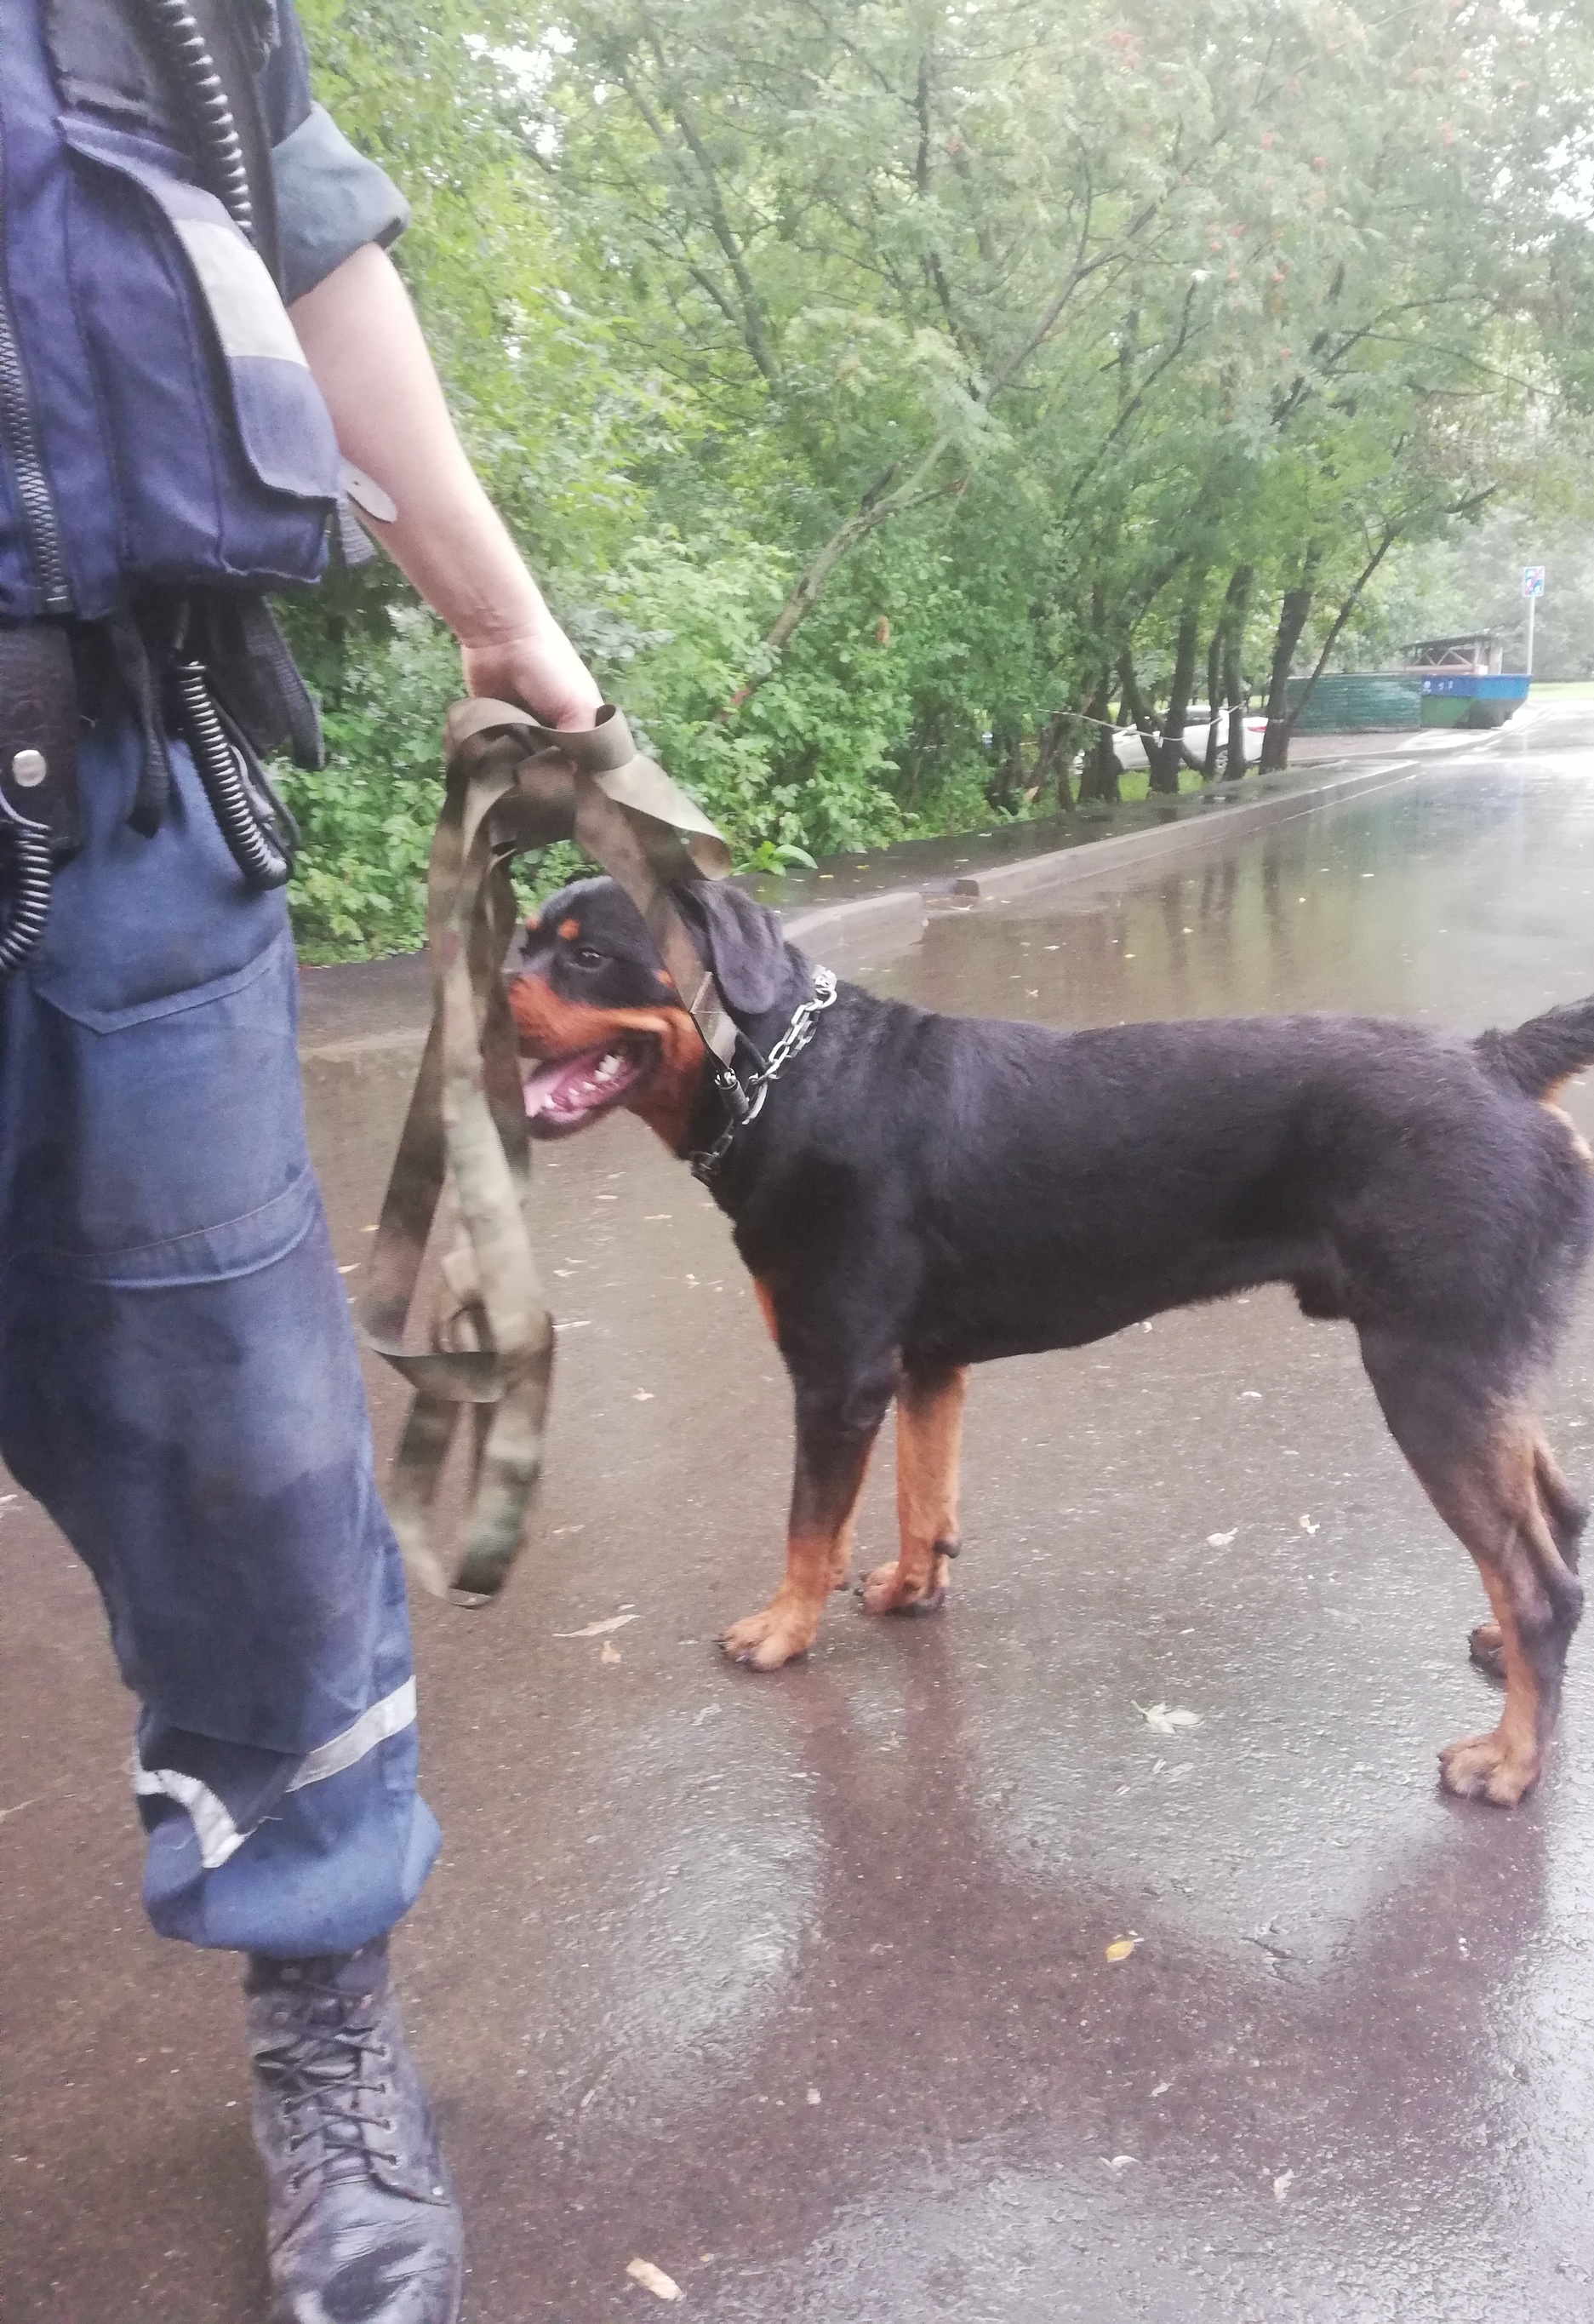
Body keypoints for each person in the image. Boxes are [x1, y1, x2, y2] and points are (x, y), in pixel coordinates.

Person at [0, 4, 598, 2317]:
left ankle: (324, 1995)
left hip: (128, 784)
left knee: (256, 1459)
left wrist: (511, 621)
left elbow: (298, 205)